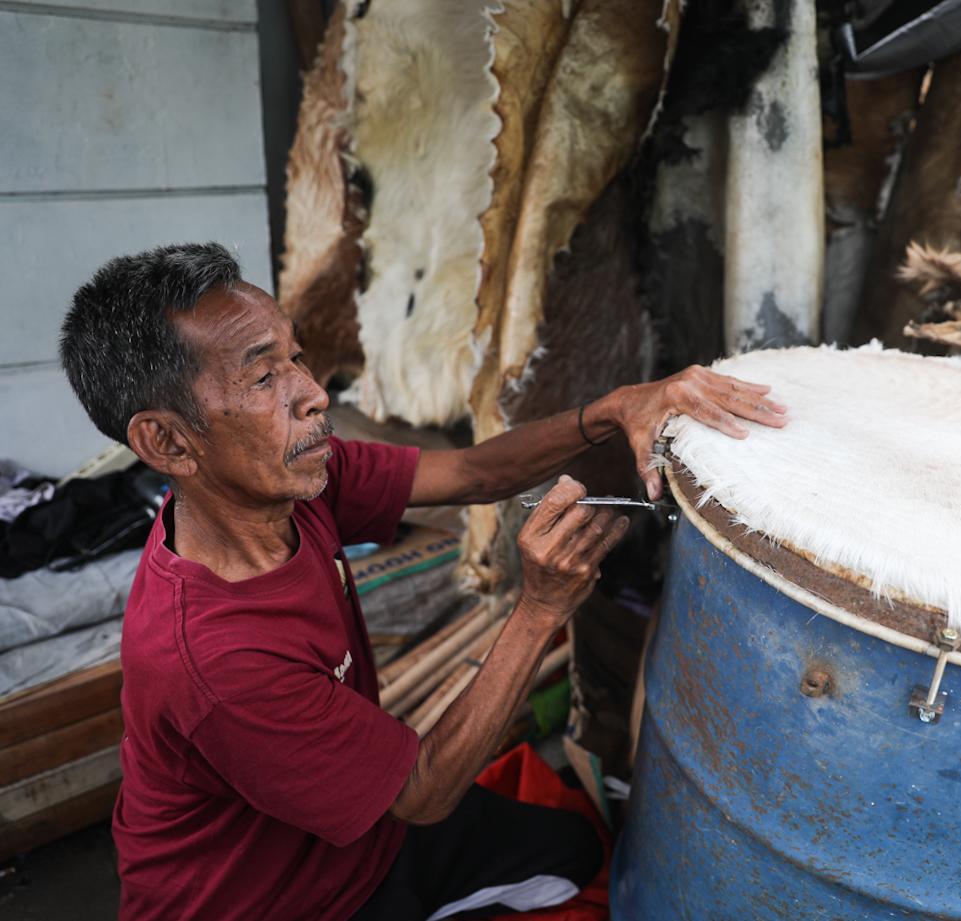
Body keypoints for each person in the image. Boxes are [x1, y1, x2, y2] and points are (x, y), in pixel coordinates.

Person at [58, 242, 788, 920]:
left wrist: (616, 406)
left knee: (572, 852)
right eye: (262, 375)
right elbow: (421, 792)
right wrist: (539, 611)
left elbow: (474, 472)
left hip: (362, 836)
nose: (313, 393)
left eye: (297, 357)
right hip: (275, 902)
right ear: (166, 441)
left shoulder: (290, 487)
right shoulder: (215, 661)